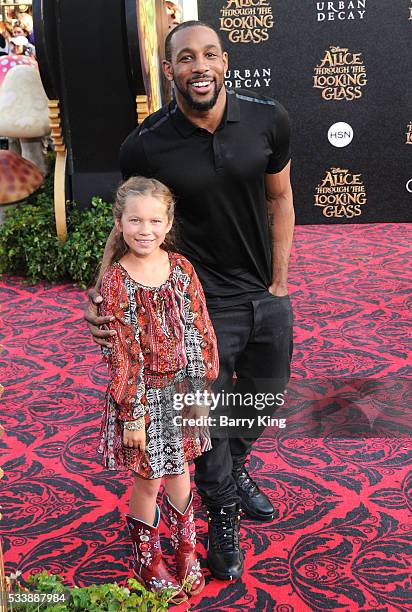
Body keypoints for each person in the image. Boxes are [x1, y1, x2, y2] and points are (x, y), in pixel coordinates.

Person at [85, 20, 294, 582]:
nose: (198, 66)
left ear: (224, 61)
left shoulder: (269, 119)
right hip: (195, 304)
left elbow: (281, 198)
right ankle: (222, 516)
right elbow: (125, 220)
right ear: (169, 69)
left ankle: (240, 469)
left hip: (264, 296)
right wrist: (101, 293)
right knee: (205, 418)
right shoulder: (145, 143)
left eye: (208, 55)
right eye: (184, 58)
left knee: (262, 402)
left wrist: (278, 283)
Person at [96, 175, 219, 602]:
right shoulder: (116, 280)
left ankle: (185, 548)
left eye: (154, 220)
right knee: (149, 479)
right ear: (120, 223)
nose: (144, 229)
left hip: (182, 391)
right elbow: (122, 353)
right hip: (144, 396)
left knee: (182, 470)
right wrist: (133, 413)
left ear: (167, 224)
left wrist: (200, 392)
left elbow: (200, 330)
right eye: (135, 220)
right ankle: (147, 557)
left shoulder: (182, 268)